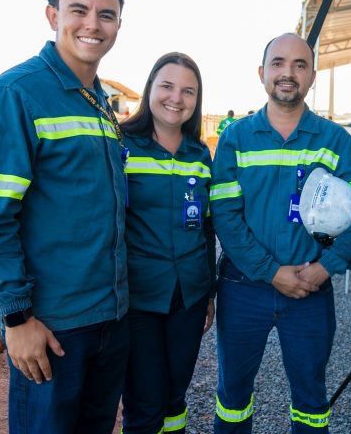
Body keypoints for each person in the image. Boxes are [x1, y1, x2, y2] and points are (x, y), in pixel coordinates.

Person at [0, 0, 130, 433]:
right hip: (54, 328)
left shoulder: (97, 101)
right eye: (78, 9)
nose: (92, 25)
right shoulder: (15, 94)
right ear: (52, 15)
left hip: (109, 318)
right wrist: (16, 319)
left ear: (119, 23)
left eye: (107, 14)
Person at [210, 33, 351, 433]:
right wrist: (270, 271)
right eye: (279, 63)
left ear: (313, 75)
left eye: (300, 65)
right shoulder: (236, 137)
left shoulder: (335, 141)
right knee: (233, 397)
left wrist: (327, 266)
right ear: (261, 72)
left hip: (310, 290)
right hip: (244, 287)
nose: (288, 73)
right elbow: (226, 217)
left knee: (311, 400)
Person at [119, 52, 216, 433]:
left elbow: (206, 230)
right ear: (150, 90)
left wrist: (208, 292)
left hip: (188, 298)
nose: (176, 98)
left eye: (187, 91)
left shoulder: (200, 155)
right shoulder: (122, 145)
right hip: (137, 299)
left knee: (175, 397)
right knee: (145, 402)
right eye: (167, 86)